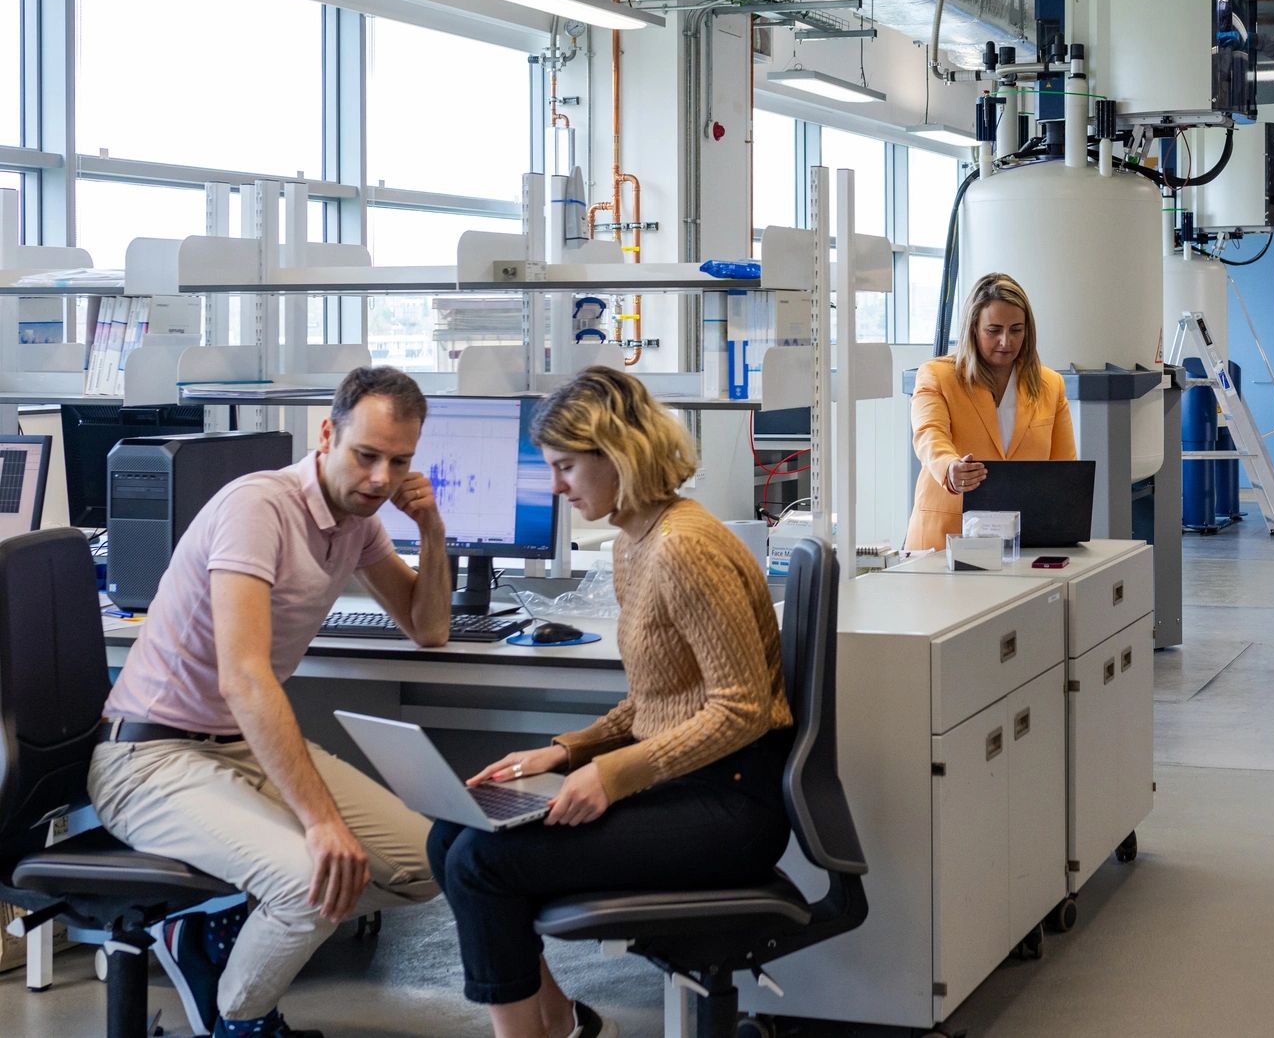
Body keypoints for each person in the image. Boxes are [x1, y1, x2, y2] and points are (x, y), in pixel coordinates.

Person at [430, 366, 794, 1038]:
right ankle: (561, 1024)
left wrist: (615, 773)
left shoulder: (685, 547)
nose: (557, 486)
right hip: (683, 783)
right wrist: (569, 750)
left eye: (566, 467)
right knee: (453, 831)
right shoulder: (636, 541)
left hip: (730, 804)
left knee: (484, 863)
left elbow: (741, 710)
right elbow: (656, 699)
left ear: (619, 454)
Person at [87, 367, 448, 1038]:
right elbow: (244, 679)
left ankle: (208, 933)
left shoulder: (359, 520)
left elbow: (428, 629)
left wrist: (430, 528)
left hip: (236, 746)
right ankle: (238, 1022)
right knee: (312, 884)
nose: (380, 478)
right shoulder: (260, 507)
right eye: (366, 455)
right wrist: (321, 822)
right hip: (149, 758)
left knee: (429, 864)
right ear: (326, 435)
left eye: (399, 462)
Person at [907, 271, 1076, 552]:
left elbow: (1064, 471)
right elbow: (928, 434)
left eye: (1016, 330)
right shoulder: (937, 376)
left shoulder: (1051, 385)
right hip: (943, 542)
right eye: (994, 330)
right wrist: (950, 468)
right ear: (973, 328)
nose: (1005, 342)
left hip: (1024, 542)